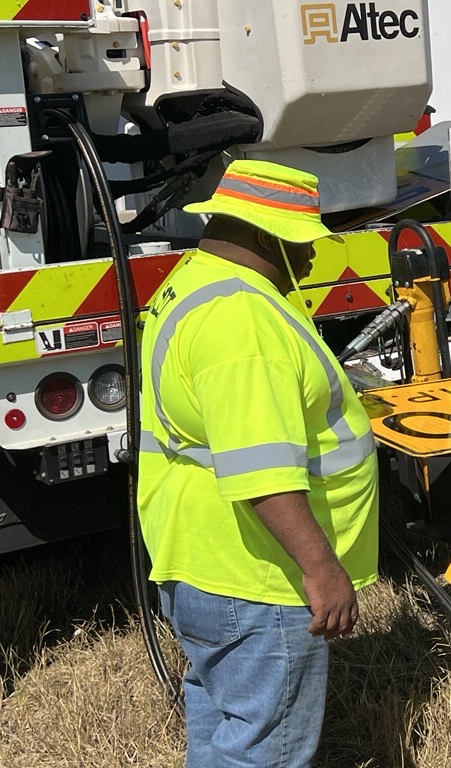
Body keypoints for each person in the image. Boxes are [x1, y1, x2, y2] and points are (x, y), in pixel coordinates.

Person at [138, 159, 379, 767]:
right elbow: (261, 469)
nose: (312, 259)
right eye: (303, 244)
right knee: (264, 752)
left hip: (198, 559)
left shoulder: (192, 280)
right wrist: (321, 568)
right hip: (258, 581)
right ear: (266, 236)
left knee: (226, 727)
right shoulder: (243, 319)